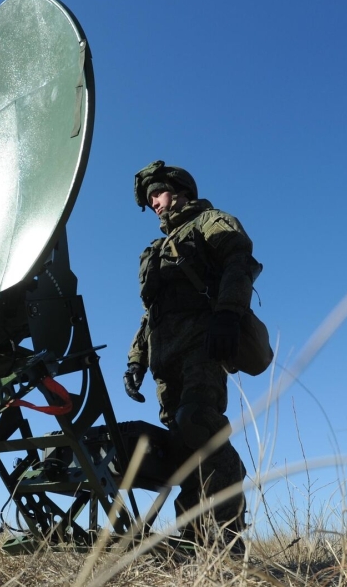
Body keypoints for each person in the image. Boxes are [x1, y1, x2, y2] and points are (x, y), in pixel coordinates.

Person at [123, 160, 261, 553]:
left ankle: (229, 536)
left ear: (181, 190)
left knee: (199, 424)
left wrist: (228, 316)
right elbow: (151, 314)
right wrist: (136, 360)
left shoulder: (209, 222)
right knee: (182, 448)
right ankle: (196, 536)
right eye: (149, 197)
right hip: (164, 362)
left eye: (158, 193)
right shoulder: (155, 249)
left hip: (202, 346)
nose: (154, 202)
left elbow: (239, 262)